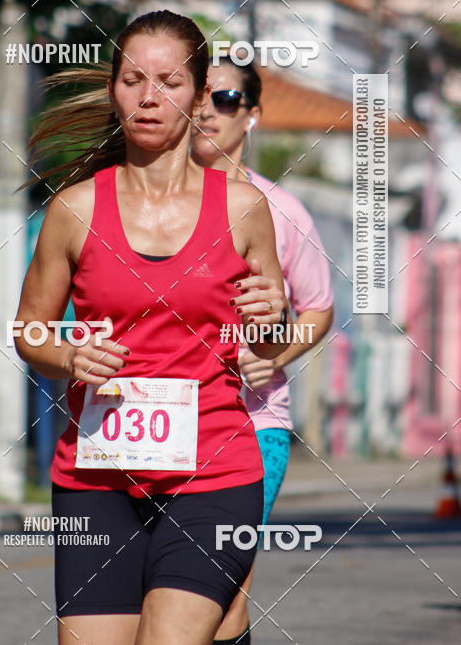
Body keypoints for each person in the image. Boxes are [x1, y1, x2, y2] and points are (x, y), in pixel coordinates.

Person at [13, 10, 292, 645]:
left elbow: (268, 347)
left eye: (168, 81)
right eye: (133, 79)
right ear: (113, 90)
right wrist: (70, 356)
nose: (148, 97)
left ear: (197, 94)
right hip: (96, 476)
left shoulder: (244, 209)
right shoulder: (74, 210)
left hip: (213, 474)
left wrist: (272, 320)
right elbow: (30, 331)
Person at [191, 55, 334, 644]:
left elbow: (318, 308)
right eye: (200, 95)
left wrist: (273, 358)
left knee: (222, 592)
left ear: (251, 116)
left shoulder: (283, 212)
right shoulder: (142, 202)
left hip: (253, 422)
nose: (208, 110)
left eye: (225, 100)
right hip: (158, 417)